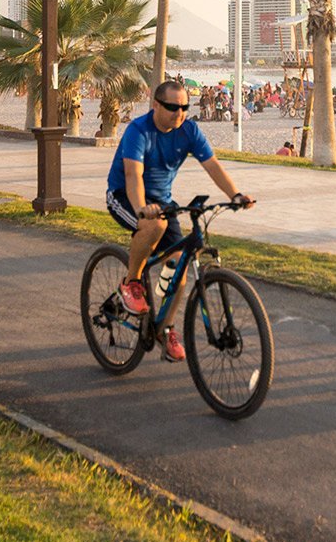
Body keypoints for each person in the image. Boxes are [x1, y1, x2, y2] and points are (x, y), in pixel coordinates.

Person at [106, 80, 253, 362]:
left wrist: (235, 194)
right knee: (154, 225)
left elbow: (212, 165)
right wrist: (140, 210)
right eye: (173, 107)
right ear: (156, 105)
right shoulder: (139, 130)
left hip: (162, 202)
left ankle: (164, 328)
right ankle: (132, 282)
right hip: (125, 196)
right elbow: (132, 177)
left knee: (180, 265)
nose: (180, 112)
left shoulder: (189, 130)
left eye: (185, 106)